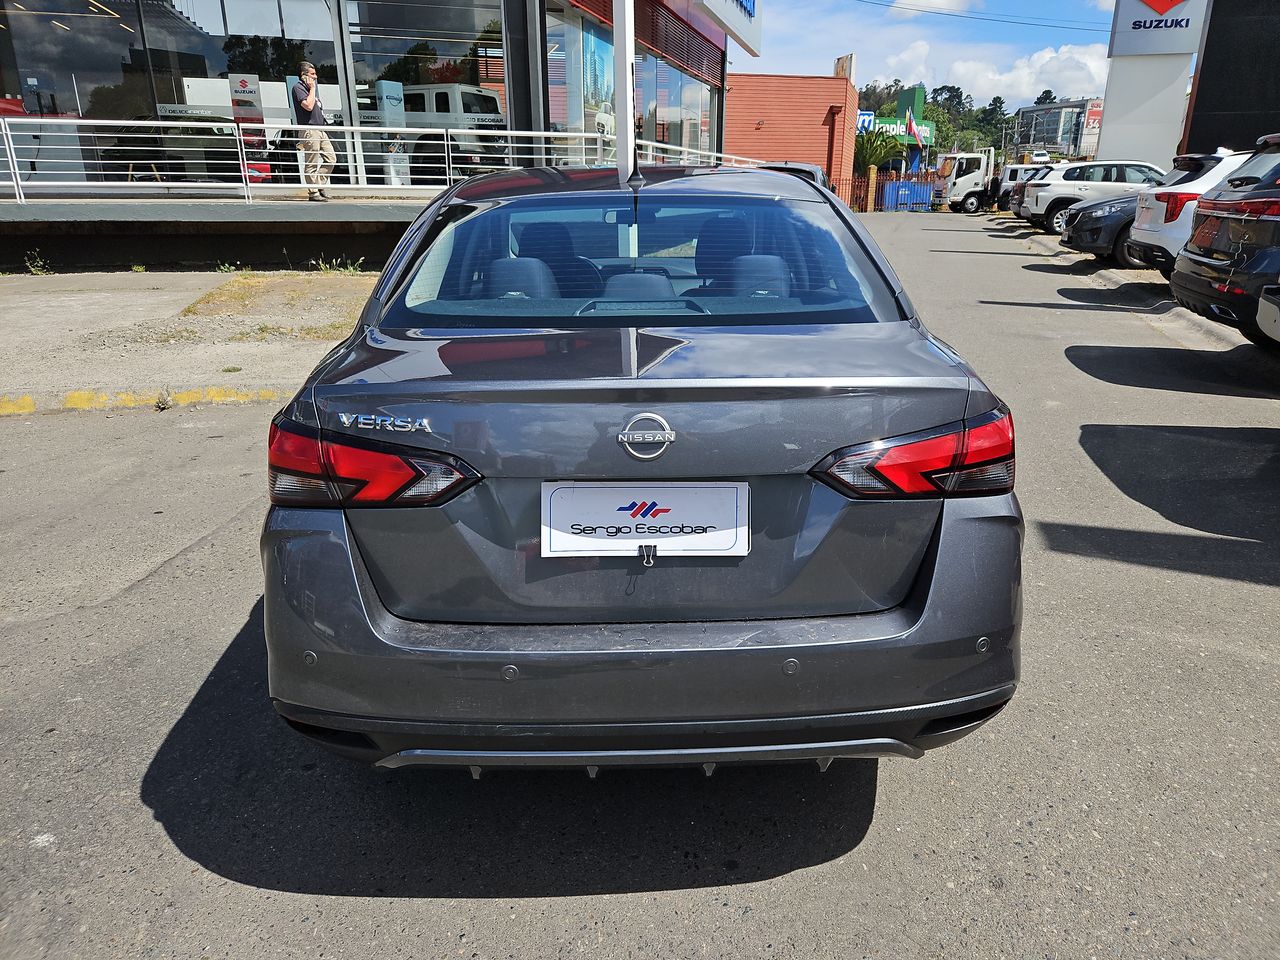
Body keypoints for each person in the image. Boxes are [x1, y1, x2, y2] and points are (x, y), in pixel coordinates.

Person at [292, 61, 335, 202]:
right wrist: (311, 89)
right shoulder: (298, 88)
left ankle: (319, 184)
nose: (315, 77)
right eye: (312, 74)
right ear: (303, 75)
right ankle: (313, 192)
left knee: (331, 158)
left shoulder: (311, 89)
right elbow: (309, 106)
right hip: (309, 130)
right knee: (312, 162)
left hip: (320, 129)